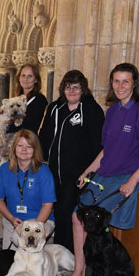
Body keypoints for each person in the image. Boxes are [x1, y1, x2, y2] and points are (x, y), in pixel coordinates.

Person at [56, 63, 139, 276]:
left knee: (91, 224)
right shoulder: (114, 111)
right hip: (105, 174)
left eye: (126, 81)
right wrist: (87, 172)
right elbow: (107, 150)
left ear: (135, 83)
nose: (120, 86)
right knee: (78, 217)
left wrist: (134, 180)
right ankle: (78, 271)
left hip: (126, 176)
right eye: (116, 81)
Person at [38, 70, 104, 253]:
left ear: (83, 89)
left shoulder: (91, 110)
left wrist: (90, 172)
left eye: (76, 87)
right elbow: (44, 136)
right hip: (53, 171)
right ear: (63, 89)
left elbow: (98, 144)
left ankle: (63, 254)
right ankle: (57, 251)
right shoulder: (54, 108)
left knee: (66, 213)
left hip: (77, 174)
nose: (72, 91)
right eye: (68, 87)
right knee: (56, 211)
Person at [0, 129, 56, 250]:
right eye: (20, 145)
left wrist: (33, 228)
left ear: (35, 149)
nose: (24, 150)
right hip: (13, 220)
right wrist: (11, 218)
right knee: (10, 260)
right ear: (14, 148)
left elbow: (48, 205)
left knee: (23, 244)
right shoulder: (4, 170)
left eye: (29, 146)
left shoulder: (43, 171)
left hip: (40, 221)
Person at [12, 63, 47, 134]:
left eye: (30, 76)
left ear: (36, 80)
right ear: (19, 78)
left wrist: (5, 128)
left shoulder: (39, 99)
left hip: (27, 141)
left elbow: (29, 125)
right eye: (23, 75)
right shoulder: (16, 99)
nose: (26, 79)